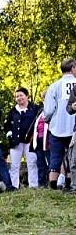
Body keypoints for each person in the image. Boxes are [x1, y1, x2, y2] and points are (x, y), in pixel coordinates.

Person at [43, 57, 76, 190]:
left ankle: (52, 185)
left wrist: (47, 118)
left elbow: (49, 109)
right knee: (72, 157)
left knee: (55, 156)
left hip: (58, 127)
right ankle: (69, 183)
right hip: (73, 126)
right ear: (73, 68)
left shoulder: (54, 86)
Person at [4, 87, 39, 189]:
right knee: (14, 165)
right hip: (16, 142)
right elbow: (7, 125)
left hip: (31, 141)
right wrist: (9, 134)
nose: (19, 98)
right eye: (17, 96)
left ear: (27, 96)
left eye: (21, 95)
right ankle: (14, 186)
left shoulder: (35, 109)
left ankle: (34, 186)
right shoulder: (13, 111)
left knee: (32, 163)